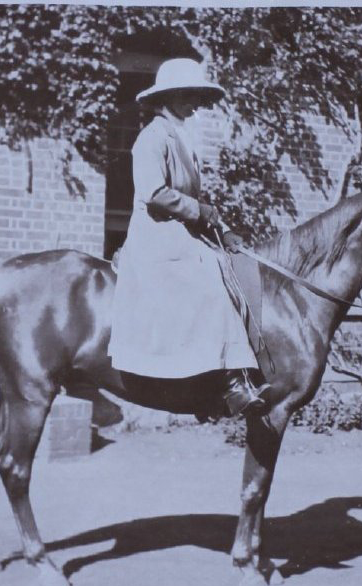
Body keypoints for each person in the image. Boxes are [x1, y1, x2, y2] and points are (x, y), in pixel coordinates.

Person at [108, 58, 269, 416]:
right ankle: (231, 383)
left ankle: (211, 377)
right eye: (187, 95)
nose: (195, 103)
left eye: (196, 96)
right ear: (167, 98)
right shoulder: (151, 138)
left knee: (227, 266)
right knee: (210, 281)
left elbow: (195, 204)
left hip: (180, 233)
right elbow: (153, 192)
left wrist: (224, 231)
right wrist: (200, 211)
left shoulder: (182, 139)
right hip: (156, 236)